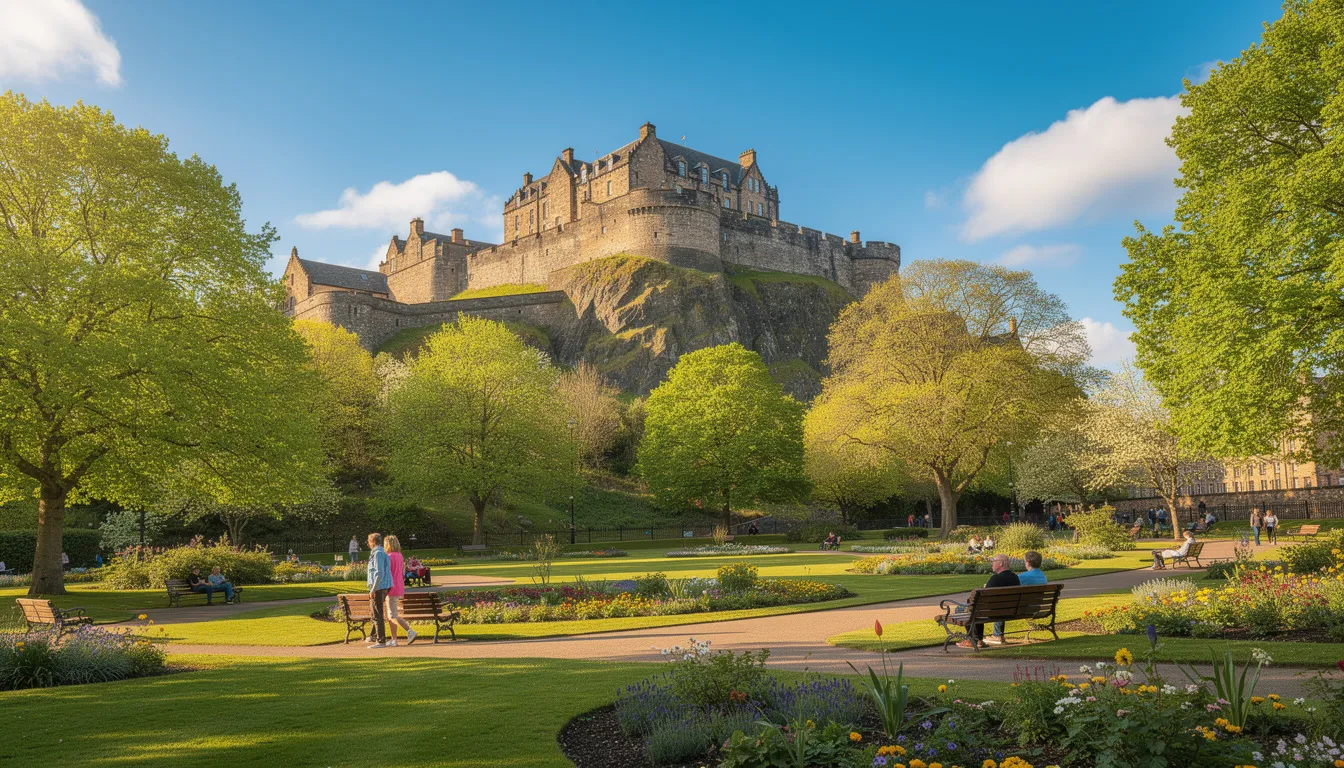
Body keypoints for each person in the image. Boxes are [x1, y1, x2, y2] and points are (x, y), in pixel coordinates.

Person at [957, 553, 1019, 648]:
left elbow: (982, 600)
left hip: (992, 612)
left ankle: (974, 639)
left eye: (994, 561)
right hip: (1010, 611)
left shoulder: (996, 578)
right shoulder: (1015, 577)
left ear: (1001, 564)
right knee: (978, 609)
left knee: (962, 609)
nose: (992, 564)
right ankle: (978, 640)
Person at [985, 550, 1047, 645]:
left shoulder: (1023, 577)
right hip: (1036, 607)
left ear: (1027, 562)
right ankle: (998, 635)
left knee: (1001, 601)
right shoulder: (1043, 576)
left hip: (1019, 608)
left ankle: (997, 635)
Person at [382, 535, 416, 646]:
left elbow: (386, 573)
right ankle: (394, 639)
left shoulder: (388, 556)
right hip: (399, 586)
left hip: (390, 588)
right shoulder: (399, 555)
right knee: (391, 614)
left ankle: (409, 631)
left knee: (392, 616)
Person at [366, 533, 393, 648]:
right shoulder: (383, 553)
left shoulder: (377, 554)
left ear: (372, 542)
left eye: (369, 541)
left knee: (377, 613)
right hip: (384, 585)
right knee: (376, 611)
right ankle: (374, 635)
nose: (368, 544)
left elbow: (379, 572)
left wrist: (373, 589)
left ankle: (380, 640)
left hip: (379, 586)